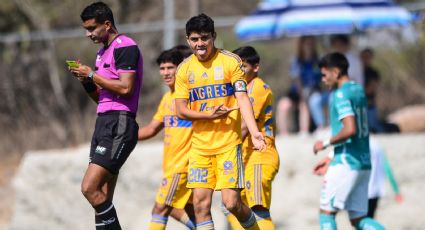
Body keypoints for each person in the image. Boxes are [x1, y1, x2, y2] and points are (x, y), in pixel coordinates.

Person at [174, 13, 266, 230]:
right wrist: (209, 115)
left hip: (228, 145)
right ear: (188, 40)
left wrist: (254, 132)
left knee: (231, 203)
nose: (200, 44)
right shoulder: (184, 70)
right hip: (200, 148)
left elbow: (243, 98)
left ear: (213, 36)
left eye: (204, 38)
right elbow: (180, 111)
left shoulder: (230, 62)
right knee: (200, 205)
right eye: (194, 39)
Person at [69, 2, 142, 229]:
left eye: (92, 28)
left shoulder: (125, 46)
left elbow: (125, 88)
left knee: (89, 188)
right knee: (102, 197)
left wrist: (91, 73)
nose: (88, 34)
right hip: (103, 122)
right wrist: (87, 82)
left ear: (107, 24)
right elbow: (101, 98)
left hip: (119, 123)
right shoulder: (101, 54)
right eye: (86, 29)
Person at [312, 52, 385, 230]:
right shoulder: (358, 89)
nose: (323, 79)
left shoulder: (340, 95)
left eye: (324, 75)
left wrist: (325, 143)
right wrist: (331, 156)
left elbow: (350, 129)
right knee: (358, 219)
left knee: (326, 214)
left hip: (346, 162)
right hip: (363, 163)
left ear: (335, 72)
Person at [221, 46, 280, 229]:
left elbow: (246, 125)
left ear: (255, 67)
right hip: (245, 157)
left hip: (259, 156)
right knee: (230, 206)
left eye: (243, 66)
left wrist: (222, 149)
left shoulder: (257, 88)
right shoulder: (239, 90)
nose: (239, 71)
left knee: (258, 209)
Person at [138, 49, 195, 230]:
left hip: (182, 166)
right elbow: (151, 129)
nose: (165, 72)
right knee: (189, 210)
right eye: (162, 68)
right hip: (171, 165)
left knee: (160, 208)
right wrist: (124, 136)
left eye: (170, 67)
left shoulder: (190, 96)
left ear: (181, 68)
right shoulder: (167, 98)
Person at [313, 139, 403, 220]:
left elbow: (348, 163)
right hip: (375, 190)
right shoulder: (377, 145)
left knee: (334, 215)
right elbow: (387, 168)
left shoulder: (358, 144)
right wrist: (396, 191)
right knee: (368, 220)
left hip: (360, 188)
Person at [276, 36, 325, 136]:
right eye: (306, 44)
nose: (308, 47)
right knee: (283, 105)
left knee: (304, 104)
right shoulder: (296, 60)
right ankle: (283, 134)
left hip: (313, 91)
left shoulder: (318, 60)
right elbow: (296, 79)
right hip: (297, 92)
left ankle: (304, 132)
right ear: (301, 45)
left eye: (311, 44)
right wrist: (301, 92)